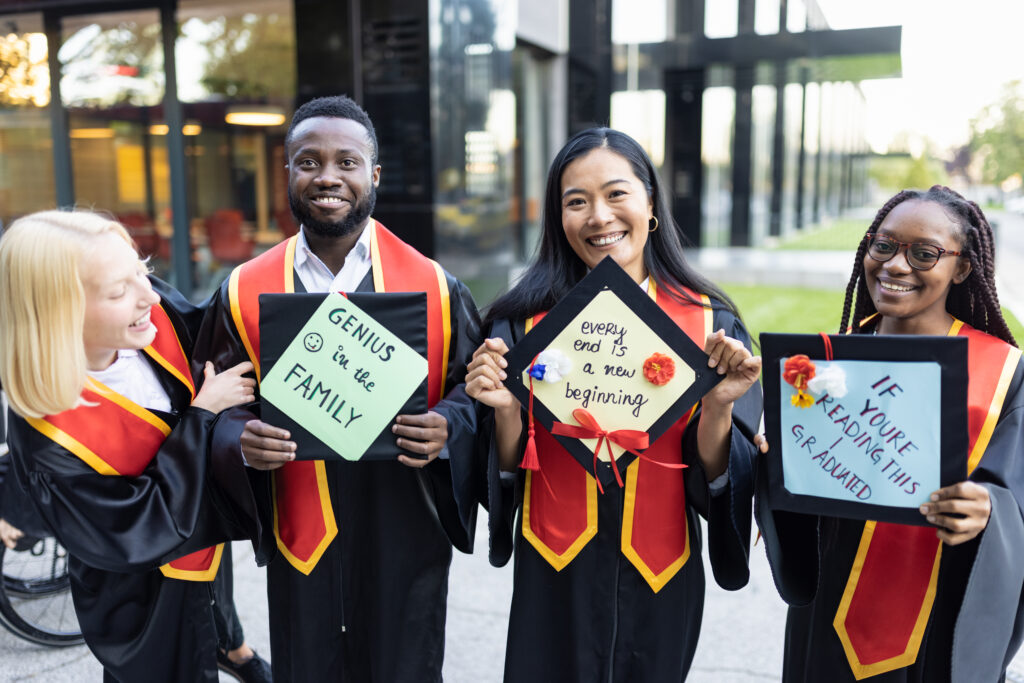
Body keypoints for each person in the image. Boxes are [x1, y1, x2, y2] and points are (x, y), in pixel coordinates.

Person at [194, 94, 482, 682]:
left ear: (373, 175)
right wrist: (240, 437)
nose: (328, 176)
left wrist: (449, 425)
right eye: (309, 161)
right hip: (303, 528)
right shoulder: (242, 290)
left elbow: (473, 387)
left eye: (347, 162)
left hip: (406, 522)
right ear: (288, 174)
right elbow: (220, 398)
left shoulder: (435, 286)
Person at [464, 127, 763, 682]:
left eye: (616, 193)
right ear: (559, 220)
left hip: (660, 573)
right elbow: (501, 469)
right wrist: (505, 408)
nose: (599, 216)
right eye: (576, 202)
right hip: (552, 570)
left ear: (650, 203)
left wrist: (719, 405)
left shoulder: (710, 327)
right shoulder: (521, 328)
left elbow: (720, 481)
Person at [755, 186, 1024, 682]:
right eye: (884, 246)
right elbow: (797, 504)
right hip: (831, 607)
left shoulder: (1004, 372)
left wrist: (990, 508)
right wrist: (777, 462)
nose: (896, 266)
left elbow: (1018, 492)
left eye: (924, 253)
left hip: (940, 617)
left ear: (961, 268)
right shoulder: (828, 363)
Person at [0, 210, 265, 682]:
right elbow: (137, 531)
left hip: (199, 538)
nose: (150, 294)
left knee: (213, 604)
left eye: (143, 269)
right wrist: (203, 416)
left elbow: (207, 329)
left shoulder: (145, 315)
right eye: (119, 291)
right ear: (57, 312)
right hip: (140, 596)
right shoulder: (50, 438)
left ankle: (232, 647)